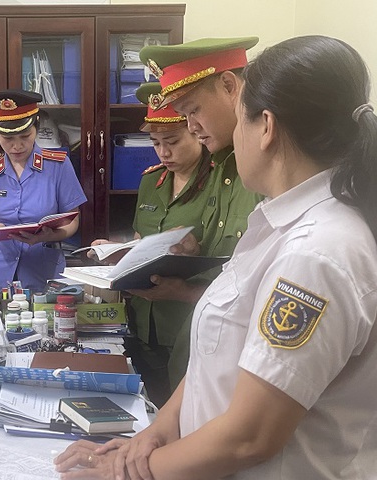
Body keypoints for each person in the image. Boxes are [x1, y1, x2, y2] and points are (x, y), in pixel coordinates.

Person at [55, 34, 377, 479]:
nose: (195, 132)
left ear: (265, 126)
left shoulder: (317, 253)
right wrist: (155, 435)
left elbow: (250, 436)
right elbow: (217, 360)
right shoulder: (275, 227)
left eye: (240, 120)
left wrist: (120, 473)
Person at [127, 37, 263, 390]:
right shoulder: (227, 164)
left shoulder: (255, 170)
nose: (190, 126)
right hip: (201, 355)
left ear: (229, 86)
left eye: (192, 111)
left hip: (234, 365)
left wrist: (185, 290)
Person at [88, 82, 212, 400]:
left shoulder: (220, 183)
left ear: (196, 132)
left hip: (188, 322)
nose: (163, 152)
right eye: (156, 143)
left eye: (172, 141)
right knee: (150, 406)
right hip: (143, 322)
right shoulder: (151, 181)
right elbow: (141, 239)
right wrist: (118, 252)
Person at [0, 89, 87, 293]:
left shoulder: (58, 166)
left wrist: (46, 236)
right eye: (8, 138)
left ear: (36, 127)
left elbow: (73, 221)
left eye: (25, 136)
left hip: (43, 270)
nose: (17, 146)